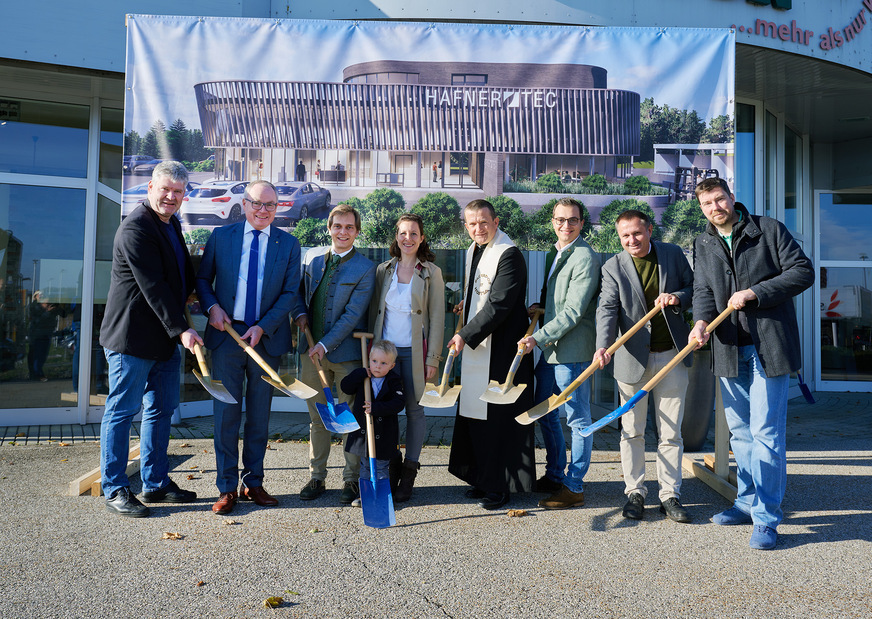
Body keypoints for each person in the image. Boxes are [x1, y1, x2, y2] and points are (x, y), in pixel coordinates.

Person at [689, 177, 813, 550]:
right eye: (707, 203)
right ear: (702, 209)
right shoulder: (704, 241)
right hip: (728, 348)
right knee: (740, 433)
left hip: (769, 348)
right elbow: (703, 291)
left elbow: (802, 271)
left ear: (732, 198)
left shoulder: (768, 229)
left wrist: (756, 292)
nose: (715, 208)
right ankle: (745, 501)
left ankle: (767, 519)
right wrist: (699, 321)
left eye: (720, 199)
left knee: (766, 435)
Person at [99, 161, 202, 518]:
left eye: (177, 192)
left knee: (160, 410)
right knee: (122, 411)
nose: (170, 197)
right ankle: (113, 487)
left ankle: (155, 483)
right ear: (150, 189)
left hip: (164, 340)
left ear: (183, 196)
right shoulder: (136, 228)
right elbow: (153, 287)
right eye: (165, 189)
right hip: (132, 339)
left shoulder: (171, 223)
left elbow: (179, 271)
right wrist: (183, 328)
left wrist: (197, 296)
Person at [195, 180, 301, 515]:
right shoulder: (221, 237)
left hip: (265, 338)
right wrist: (211, 307)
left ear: (277, 208)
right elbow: (202, 280)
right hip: (226, 336)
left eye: (270, 205)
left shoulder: (288, 244)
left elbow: (289, 293)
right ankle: (226, 487)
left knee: (259, 415)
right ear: (244, 203)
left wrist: (264, 326)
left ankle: (253, 482)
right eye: (257, 203)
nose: (263, 210)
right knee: (226, 414)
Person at [593, 209, 694, 523]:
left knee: (670, 432)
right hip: (632, 360)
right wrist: (603, 345)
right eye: (625, 236)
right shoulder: (613, 266)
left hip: (672, 355)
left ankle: (670, 495)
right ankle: (635, 492)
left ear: (650, 230)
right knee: (632, 431)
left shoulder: (673, 255)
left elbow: (695, 290)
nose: (631, 240)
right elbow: (607, 308)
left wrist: (677, 297)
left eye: (637, 233)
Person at [447, 199, 535, 510]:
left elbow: (499, 303)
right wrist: (466, 306)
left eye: (483, 222)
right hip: (481, 345)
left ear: (495, 222)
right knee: (476, 414)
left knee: (497, 417)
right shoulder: (476, 250)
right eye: (472, 224)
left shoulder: (508, 254)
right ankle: (482, 478)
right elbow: (479, 292)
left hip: (501, 348)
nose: (478, 229)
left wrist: (464, 334)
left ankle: (500, 486)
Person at [518, 198, 600, 510]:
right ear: (553, 220)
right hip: (553, 349)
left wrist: (536, 338)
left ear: (582, 224)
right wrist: (542, 310)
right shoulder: (560, 252)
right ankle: (555, 475)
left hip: (572, 350)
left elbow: (575, 311)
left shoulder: (584, 257)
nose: (566, 226)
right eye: (560, 219)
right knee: (547, 411)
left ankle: (574, 486)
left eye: (573, 220)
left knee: (579, 420)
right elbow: (559, 303)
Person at [294, 204, 376, 504]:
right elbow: (297, 296)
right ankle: (317, 478)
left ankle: (351, 481)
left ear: (356, 231)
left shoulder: (366, 268)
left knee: (349, 420)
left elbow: (352, 315)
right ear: (329, 227)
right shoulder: (311, 258)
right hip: (309, 353)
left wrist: (325, 344)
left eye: (349, 227)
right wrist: (299, 314)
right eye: (338, 226)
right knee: (317, 419)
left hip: (346, 356)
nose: (343, 232)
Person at [370, 213, 445, 502]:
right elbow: (375, 313)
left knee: (414, 412)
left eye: (414, 233)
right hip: (385, 355)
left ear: (422, 238)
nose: (408, 238)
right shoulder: (383, 270)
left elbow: (437, 319)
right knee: (385, 412)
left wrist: (433, 359)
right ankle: (391, 467)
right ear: (396, 237)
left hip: (415, 354)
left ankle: (409, 474)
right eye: (403, 233)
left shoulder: (431, 273)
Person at [340, 339, 405, 507]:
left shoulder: (394, 381)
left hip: (383, 435)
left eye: (383, 363)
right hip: (364, 434)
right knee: (365, 467)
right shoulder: (363, 377)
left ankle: (382, 497)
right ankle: (366, 496)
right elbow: (345, 387)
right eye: (374, 361)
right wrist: (360, 374)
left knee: (381, 468)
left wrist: (376, 407)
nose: (377, 366)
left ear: (391, 365)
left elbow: (398, 403)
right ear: (369, 359)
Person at [27, 291, 57, 382]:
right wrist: (47, 312)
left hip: (45, 333)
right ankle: (37, 373)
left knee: (42, 354)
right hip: (37, 334)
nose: (42, 297)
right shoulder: (34, 307)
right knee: (37, 355)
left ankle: (36, 373)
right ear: (35, 297)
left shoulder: (45, 308)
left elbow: (52, 321)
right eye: (39, 295)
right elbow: (36, 321)